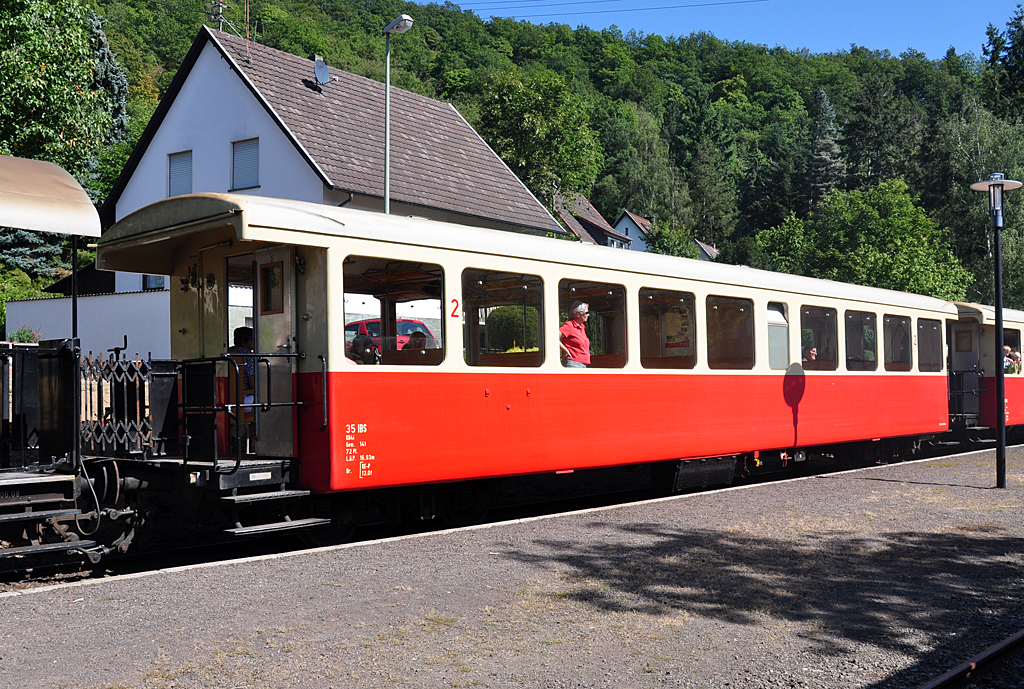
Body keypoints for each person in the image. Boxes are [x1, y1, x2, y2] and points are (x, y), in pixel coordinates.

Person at [227, 326, 255, 407]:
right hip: (245, 398)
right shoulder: (248, 355)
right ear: (244, 342)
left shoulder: (229, 351)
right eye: (253, 339)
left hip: (229, 398)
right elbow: (252, 383)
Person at [559, 301, 591, 368]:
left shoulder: (582, 327)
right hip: (573, 364)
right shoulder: (569, 326)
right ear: (578, 314)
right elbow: (552, 337)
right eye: (586, 313)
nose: (588, 315)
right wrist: (565, 350)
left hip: (583, 364)